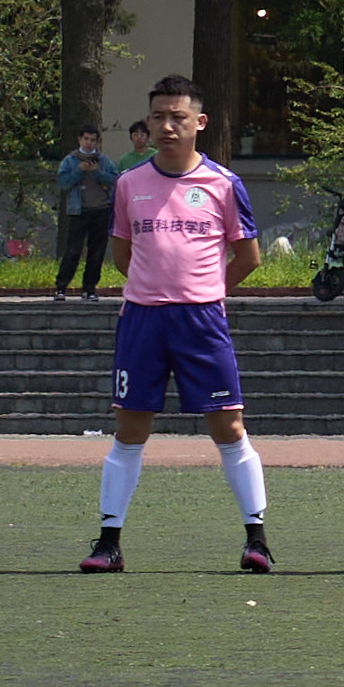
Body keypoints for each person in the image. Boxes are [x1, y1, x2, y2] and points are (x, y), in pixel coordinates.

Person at [82, 77, 271, 574]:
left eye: (178, 117)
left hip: (202, 321)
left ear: (199, 123)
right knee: (129, 430)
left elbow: (248, 256)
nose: (166, 126)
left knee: (228, 427)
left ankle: (257, 539)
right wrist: (155, 287)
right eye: (158, 117)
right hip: (142, 319)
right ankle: (108, 543)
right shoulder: (128, 184)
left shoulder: (224, 184)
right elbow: (123, 254)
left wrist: (205, 290)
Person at [49, 125, 111, 295]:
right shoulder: (70, 160)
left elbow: (116, 180)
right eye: (86, 139)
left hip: (101, 210)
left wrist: (97, 172)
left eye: (92, 140)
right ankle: (61, 287)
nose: (89, 143)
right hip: (79, 211)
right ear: (79, 140)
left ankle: (89, 289)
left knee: (96, 252)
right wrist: (79, 171)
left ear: (97, 142)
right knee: (73, 251)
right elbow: (63, 183)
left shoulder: (103, 161)